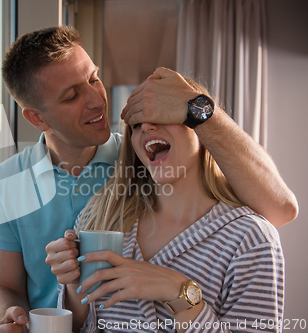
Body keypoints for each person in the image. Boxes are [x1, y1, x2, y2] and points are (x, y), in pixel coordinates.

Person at [0, 26, 296, 332]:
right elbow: (10, 288)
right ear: (36, 118)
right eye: (71, 96)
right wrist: (19, 315)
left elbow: (279, 210)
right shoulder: (94, 211)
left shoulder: (244, 236)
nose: (97, 100)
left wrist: (179, 292)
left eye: (94, 78)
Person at [45, 78, 284, 333]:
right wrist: (71, 283)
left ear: (201, 128)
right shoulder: (98, 216)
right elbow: (80, 326)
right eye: (136, 124)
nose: (146, 126)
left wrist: (180, 294)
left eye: (163, 114)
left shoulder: (250, 239)